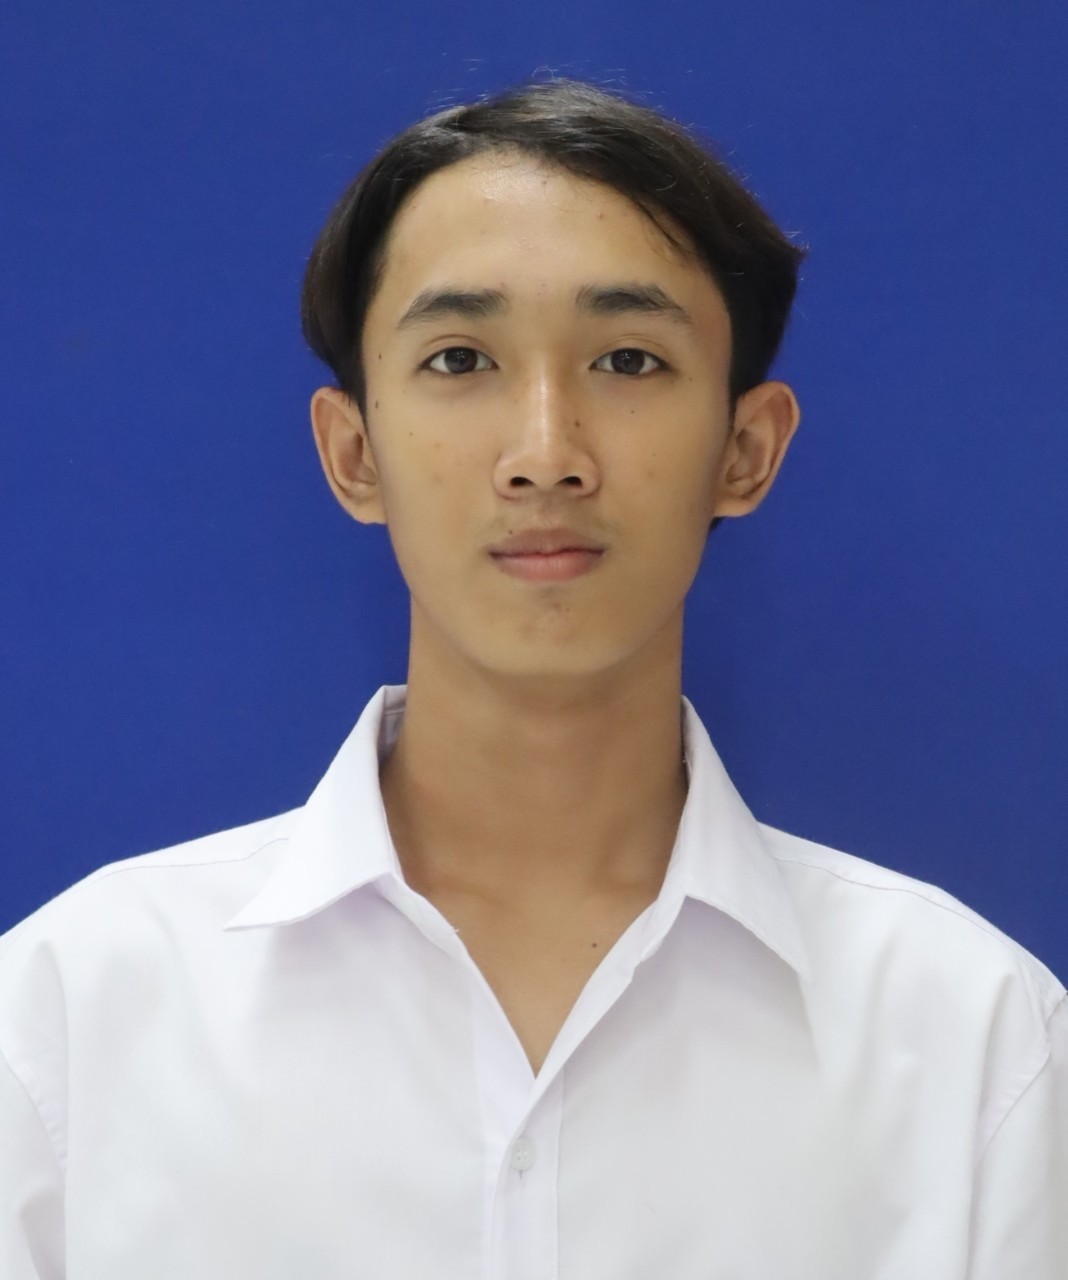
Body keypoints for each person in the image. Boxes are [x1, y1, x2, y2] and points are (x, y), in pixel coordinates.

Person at [1, 79, 1064, 1279]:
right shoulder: (70, 1021)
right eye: (461, 358)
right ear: (353, 453)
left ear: (746, 448)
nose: (546, 454)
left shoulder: (974, 1043)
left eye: (629, 359)